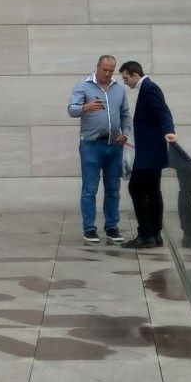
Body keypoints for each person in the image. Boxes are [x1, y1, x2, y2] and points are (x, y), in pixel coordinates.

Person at [68, 53, 130, 244]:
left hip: (114, 145)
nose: (108, 74)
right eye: (105, 70)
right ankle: (89, 228)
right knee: (90, 189)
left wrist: (125, 132)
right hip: (91, 145)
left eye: (111, 71)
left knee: (113, 189)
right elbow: (71, 110)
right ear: (97, 67)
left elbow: (125, 114)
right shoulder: (83, 86)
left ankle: (111, 227)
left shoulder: (119, 89)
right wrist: (86, 107)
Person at [118, 62, 175, 251]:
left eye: (126, 78)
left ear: (134, 75)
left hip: (149, 154)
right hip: (151, 152)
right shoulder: (148, 88)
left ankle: (146, 234)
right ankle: (155, 234)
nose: (125, 83)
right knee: (152, 192)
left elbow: (163, 111)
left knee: (136, 188)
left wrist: (169, 130)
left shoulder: (149, 89)